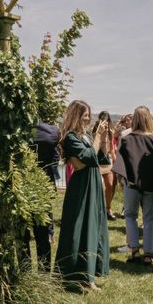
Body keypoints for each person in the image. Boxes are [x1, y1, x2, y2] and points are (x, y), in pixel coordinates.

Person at [55, 100, 110, 290]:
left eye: (89, 115)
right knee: (79, 227)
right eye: (85, 115)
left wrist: (102, 139)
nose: (88, 119)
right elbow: (86, 158)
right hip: (80, 186)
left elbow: (100, 158)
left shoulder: (85, 136)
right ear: (75, 115)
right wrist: (95, 141)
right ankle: (74, 274)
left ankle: (89, 275)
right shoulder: (70, 137)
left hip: (93, 181)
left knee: (93, 225)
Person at [112, 106, 153, 265]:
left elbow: (120, 163)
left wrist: (123, 181)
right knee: (149, 218)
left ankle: (134, 251)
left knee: (130, 216)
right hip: (152, 185)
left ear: (134, 120)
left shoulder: (126, 138)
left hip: (132, 184)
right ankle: (149, 254)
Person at [22, 119, 60, 271]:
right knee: (42, 236)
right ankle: (43, 273)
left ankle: (25, 273)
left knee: (23, 236)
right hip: (41, 187)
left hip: (22, 187)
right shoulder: (51, 131)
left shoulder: (17, 132)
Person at [92, 111, 116, 220]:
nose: (105, 123)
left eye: (107, 121)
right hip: (96, 161)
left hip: (107, 162)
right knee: (98, 187)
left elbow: (108, 151)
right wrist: (101, 136)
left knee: (110, 186)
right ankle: (97, 209)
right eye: (103, 120)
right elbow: (94, 149)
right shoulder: (94, 132)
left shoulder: (110, 132)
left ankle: (108, 208)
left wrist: (106, 137)